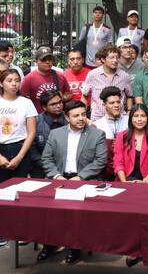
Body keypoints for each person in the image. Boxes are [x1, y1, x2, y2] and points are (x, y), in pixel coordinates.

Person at [39, 100, 107, 264]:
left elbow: (100, 160)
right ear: (67, 117)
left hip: (84, 180)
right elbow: (46, 159)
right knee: (47, 211)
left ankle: (74, 246)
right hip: (59, 179)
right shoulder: (55, 134)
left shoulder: (97, 134)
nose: (81, 118)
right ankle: (50, 244)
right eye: (76, 115)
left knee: (76, 212)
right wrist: (56, 176)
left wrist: (80, 177)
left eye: (83, 114)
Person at [0, 69, 37, 182]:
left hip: (20, 148)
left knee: (19, 185)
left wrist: (19, 157)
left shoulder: (26, 103)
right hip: (1, 148)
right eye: (9, 80)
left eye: (17, 80)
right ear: (1, 83)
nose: (14, 84)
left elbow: (31, 133)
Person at [113, 104, 148, 183]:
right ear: (131, 118)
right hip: (126, 179)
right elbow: (118, 161)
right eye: (136, 116)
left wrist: (146, 181)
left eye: (143, 116)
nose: (139, 119)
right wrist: (124, 182)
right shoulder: (122, 136)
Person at [82, 44, 133, 122]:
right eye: (112, 57)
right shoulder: (93, 75)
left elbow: (130, 96)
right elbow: (84, 95)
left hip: (119, 118)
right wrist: (83, 115)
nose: (115, 60)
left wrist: (129, 111)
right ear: (103, 59)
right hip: (98, 118)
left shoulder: (124, 76)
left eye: (117, 57)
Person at [20, 47, 70, 112]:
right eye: (43, 60)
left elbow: (69, 94)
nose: (47, 62)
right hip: (38, 115)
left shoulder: (60, 76)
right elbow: (22, 100)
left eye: (50, 59)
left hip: (58, 115)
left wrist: (62, 98)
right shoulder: (28, 79)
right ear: (36, 61)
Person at [30, 90, 67, 178]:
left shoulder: (69, 118)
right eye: (53, 104)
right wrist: (48, 165)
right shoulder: (36, 122)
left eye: (60, 102)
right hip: (41, 165)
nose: (58, 106)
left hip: (67, 165)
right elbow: (32, 148)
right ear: (44, 107)